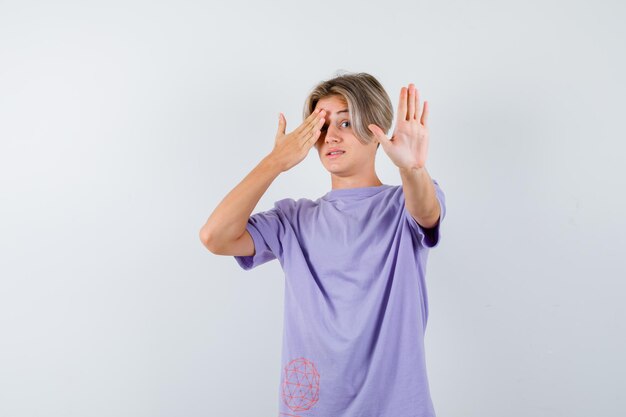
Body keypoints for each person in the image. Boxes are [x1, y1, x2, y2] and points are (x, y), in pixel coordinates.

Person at [199, 71, 446, 417]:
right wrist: (275, 162)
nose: (330, 137)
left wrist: (412, 169)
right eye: (321, 127)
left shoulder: (403, 204)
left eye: (345, 124)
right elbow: (215, 236)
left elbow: (427, 210)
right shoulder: (293, 220)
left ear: (377, 131)